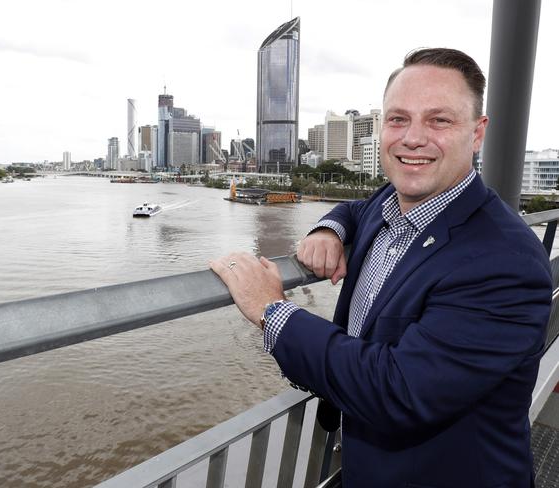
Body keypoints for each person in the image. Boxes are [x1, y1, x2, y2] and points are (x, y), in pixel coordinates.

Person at [210, 48, 552, 487]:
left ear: (477, 132)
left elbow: (399, 391)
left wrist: (271, 310)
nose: (412, 138)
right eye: (398, 119)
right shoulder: (389, 202)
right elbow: (355, 209)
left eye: (439, 120)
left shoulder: (506, 262)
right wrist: (329, 229)